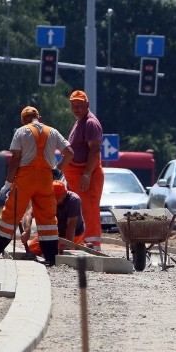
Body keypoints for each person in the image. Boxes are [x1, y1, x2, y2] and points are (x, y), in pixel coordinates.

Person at [0, 106, 74, 265]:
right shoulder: (52, 132)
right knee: (48, 219)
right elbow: (70, 153)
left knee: (10, 215)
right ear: (40, 117)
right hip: (46, 180)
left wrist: (8, 184)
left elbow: (15, 160)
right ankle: (51, 257)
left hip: (25, 179)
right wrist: (57, 170)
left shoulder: (21, 132)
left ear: (23, 120)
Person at [63, 90, 105, 250]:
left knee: (89, 212)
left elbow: (95, 150)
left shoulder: (90, 123)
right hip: (78, 177)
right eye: (73, 105)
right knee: (80, 212)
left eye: (80, 106)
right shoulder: (80, 122)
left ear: (87, 105)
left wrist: (86, 174)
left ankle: (93, 246)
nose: (76, 109)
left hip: (87, 177)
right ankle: (82, 244)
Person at [21, 180, 85, 257]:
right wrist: (27, 229)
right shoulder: (48, 198)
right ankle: (76, 246)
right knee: (32, 249)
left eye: (56, 197)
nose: (53, 200)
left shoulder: (74, 200)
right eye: (52, 196)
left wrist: (68, 245)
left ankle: (83, 246)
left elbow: (71, 225)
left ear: (64, 194)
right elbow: (28, 214)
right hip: (54, 234)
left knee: (62, 251)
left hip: (73, 234)